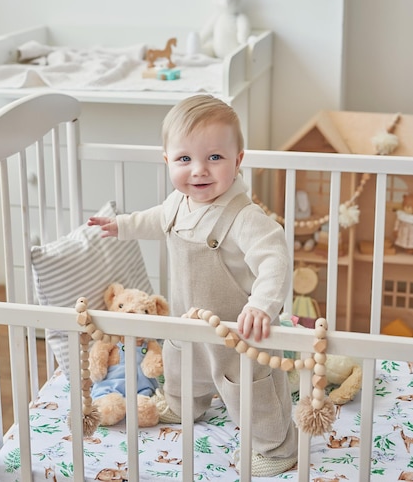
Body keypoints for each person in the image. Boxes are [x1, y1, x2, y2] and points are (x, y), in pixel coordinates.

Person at [88, 94, 297, 476]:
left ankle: (276, 446)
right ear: (167, 161)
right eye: (185, 159)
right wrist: (122, 225)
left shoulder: (246, 217)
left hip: (238, 330)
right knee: (182, 366)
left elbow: (274, 261)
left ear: (238, 160)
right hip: (188, 320)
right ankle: (185, 404)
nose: (199, 170)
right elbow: (153, 220)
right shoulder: (177, 203)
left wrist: (262, 305)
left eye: (214, 157)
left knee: (250, 388)